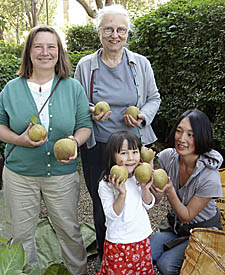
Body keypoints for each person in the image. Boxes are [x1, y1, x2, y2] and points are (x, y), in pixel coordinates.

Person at [0, 25, 93, 274]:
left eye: (51, 46)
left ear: (59, 52)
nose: (45, 52)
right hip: (20, 175)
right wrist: (19, 140)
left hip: (61, 175)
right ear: (29, 52)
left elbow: (85, 126)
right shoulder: (11, 89)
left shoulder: (72, 88)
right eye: (38, 46)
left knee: (69, 231)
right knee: (20, 234)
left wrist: (74, 142)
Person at [74, 4, 161, 269]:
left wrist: (143, 116)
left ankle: (136, 251)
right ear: (99, 32)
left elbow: (154, 98)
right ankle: (107, 258)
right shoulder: (86, 66)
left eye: (121, 29)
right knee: (103, 205)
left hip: (132, 149)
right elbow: (78, 102)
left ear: (127, 33)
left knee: (134, 199)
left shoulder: (140, 64)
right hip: (99, 146)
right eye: (109, 29)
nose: (115, 34)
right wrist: (91, 111)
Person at [150, 109, 223, 275]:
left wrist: (169, 191)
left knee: (166, 265)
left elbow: (187, 215)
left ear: (201, 137)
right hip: (176, 228)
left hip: (203, 232)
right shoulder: (168, 157)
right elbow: (157, 198)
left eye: (190, 135)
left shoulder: (209, 176)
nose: (182, 139)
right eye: (179, 131)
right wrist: (148, 173)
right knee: (145, 251)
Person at [97, 130, 156, 274]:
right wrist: (121, 193)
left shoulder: (139, 176)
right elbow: (112, 214)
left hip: (141, 238)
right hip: (118, 242)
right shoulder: (106, 184)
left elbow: (149, 204)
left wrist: (145, 188)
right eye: (123, 153)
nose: (130, 158)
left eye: (135, 152)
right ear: (113, 156)